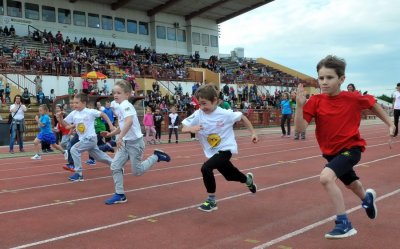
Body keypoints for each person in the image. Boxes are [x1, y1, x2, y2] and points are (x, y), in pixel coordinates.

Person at [294, 55, 395, 239]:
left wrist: (390, 123)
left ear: (342, 79)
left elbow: (373, 104)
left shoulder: (352, 98)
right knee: (353, 185)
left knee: (326, 178)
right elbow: (300, 129)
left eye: (329, 77)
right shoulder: (315, 101)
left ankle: (344, 223)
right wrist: (299, 107)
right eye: (321, 78)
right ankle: (367, 199)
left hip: (351, 148)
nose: (324, 82)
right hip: (330, 153)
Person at [181, 84, 258, 212]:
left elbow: (242, 117)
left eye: (205, 103)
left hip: (225, 149)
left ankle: (211, 200)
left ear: (215, 100)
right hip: (212, 152)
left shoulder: (224, 114)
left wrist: (253, 133)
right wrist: (191, 128)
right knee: (230, 175)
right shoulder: (198, 114)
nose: (202, 107)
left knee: (206, 168)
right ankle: (248, 180)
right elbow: (183, 127)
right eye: (200, 104)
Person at [100, 80, 171, 205]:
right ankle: (120, 194)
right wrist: (111, 134)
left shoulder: (126, 105)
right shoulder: (119, 106)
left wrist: (120, 138)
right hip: (125, 143)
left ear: (127, 94)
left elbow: (129, 122)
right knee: (115, 166)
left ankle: (156, 156)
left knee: (137, 171)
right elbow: (123, 125)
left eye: (118, 93)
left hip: (134, 143)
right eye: (114, 93)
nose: (115, 95)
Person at [56, 93, 115, 181]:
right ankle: (116, 165)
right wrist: (60, 118)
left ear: (84, 103)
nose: (74, 105)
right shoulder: (73, 113)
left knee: (74, 149)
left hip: (90, 138)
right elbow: (67, 126)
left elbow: (103, 115)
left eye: (77, 103)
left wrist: (110, 125)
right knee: (99, 156)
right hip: (84, 139)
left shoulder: (90, 111)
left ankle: (79, 174)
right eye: (73, 103)